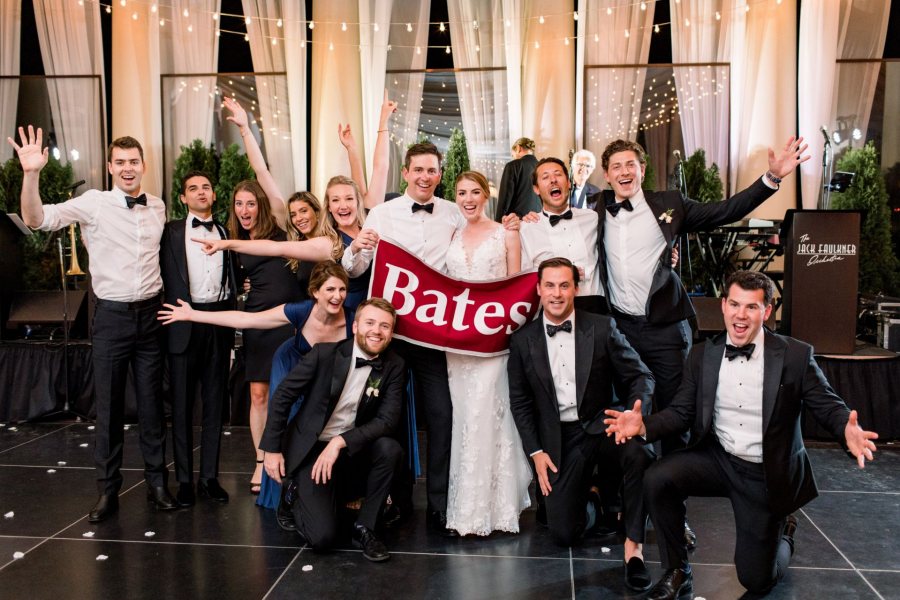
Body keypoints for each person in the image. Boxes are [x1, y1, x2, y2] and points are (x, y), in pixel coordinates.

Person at [604, 270, 878, 599]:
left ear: (767, 311)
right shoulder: (703, 355)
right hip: (718, 459)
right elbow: (681, 413)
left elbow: (828, 404)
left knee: (756, 580)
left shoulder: (793, 356)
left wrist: (846, 429)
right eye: (734, 304)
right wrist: (644, 425)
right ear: (723, 305)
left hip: (764, 472)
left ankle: (786, 533)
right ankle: (678, 570)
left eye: (751, 307)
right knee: (658, 477)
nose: (740, 315)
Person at [594, 137, 809, 460]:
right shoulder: (595, 210)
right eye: (616, 167)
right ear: (607, 176)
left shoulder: (670, 204)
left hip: (665, 328)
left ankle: (671, 494)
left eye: (630, 165)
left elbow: (723, 211)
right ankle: (626, 500)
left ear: (642, 169)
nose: (624, 172)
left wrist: (772, 179)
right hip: (620, 329)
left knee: (673, 413)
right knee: (624, 412)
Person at [8, 126, 175, 521]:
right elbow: (36, 219)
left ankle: (157, 483)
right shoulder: (93, 203)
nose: (128, 168)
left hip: (151, 316)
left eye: (134, 162)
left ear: (144, 165)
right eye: (120, 163)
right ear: (110, 167)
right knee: (110, 407)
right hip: (112, 318)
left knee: (153, 407)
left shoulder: (158, 206)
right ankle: (107, 490)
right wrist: (31, 173)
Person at [507, 257, 656, 592]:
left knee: (640, 454)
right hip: (559, 438)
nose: (557, 293)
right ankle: (596, 499)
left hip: (604, 424)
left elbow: (640, 375)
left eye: (564, 285)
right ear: (539, 290)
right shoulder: (522, 340)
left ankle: (634, 550)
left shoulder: (601, 327)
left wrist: (635, 414)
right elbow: (520, 402)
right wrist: (535, 451)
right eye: (550, 285)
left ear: (576, 288)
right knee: (562, 533)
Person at [159, 262, 354, 517]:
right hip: (294, 370)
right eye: (330, 289)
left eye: (342, 289)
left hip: (329, 379)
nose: (337, 296)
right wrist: (193, 314)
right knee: (289, 425)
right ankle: (280, 487)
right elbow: (246, 319)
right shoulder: (300, 311)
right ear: (315, 292)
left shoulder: (353, 319)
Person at [342, 141, 466, 536]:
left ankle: (440, 505)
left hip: (435, 334)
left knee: (442, 417)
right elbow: (357, 266)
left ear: (439, 175)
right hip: (390, 334)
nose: (425, 177)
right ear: (406, 174)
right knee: (386, 419)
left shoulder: (453, 213)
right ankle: (391, 501)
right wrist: (356, 250)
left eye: (432, 170)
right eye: (419, 170)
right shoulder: (381, 213)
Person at [260, 298, 406, 563]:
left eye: (385, 326)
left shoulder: (394, 365)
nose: (377, 331)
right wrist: (271, 448)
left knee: (390, 448)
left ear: (391, 333)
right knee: (323, 538)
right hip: (312, 449)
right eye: (370, 323)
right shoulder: (324, 354)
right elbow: (282, 396)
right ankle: (294, 493)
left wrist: (340, 442)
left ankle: (365, 527)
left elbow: (387, 421)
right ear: (355, 326)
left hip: (350, 447)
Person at [444, 171, 532, 536]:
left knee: (488, 414)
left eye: (474, 192)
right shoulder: (451, 234)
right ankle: (463, 507)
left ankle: (497, 509)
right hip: (458, 345)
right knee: (464, 418)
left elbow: (516, 288)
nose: (468, 198)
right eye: (461, 192)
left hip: (494, 341)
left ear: (486, 195)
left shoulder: (506, 232)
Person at [160, 170, 236, 507]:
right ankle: (184, 480)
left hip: (218, 324)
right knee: (181, 406)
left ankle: (209, 478)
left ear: (214, 195)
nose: (201, 192)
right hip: (181, 325)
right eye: (193, 188)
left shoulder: (227, 233)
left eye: (206, 187)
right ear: (183, 198)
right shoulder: (169, 233)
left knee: (214, 406)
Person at [226, 179, 302, 494]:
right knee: (259, 395)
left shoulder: (282, 230)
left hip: (291, 320)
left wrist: (245, 130)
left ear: (262, 205)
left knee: (293, 391)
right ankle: (261, 461)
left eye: (251, 203)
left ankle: (293, 458)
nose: (245, 210)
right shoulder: (235, 243)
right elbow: (235, 283)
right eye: (239, 204)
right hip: (258, 322)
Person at [519, 158, 605, 314]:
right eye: (545, 177)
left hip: (595, 307)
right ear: (536, 189)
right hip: (551, 310)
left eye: (558, 175)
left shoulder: (593, 218)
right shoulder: (526, 229)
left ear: (568, 183)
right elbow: (523, 279)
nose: (553, 180)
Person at [495, 137, 540, 221]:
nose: (513, 158)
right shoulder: (541, 166)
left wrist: (498, 221)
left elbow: (505, 198)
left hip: (517, 221)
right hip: (538, 220)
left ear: (518, 148)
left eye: (513, 155)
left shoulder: (513, 166)